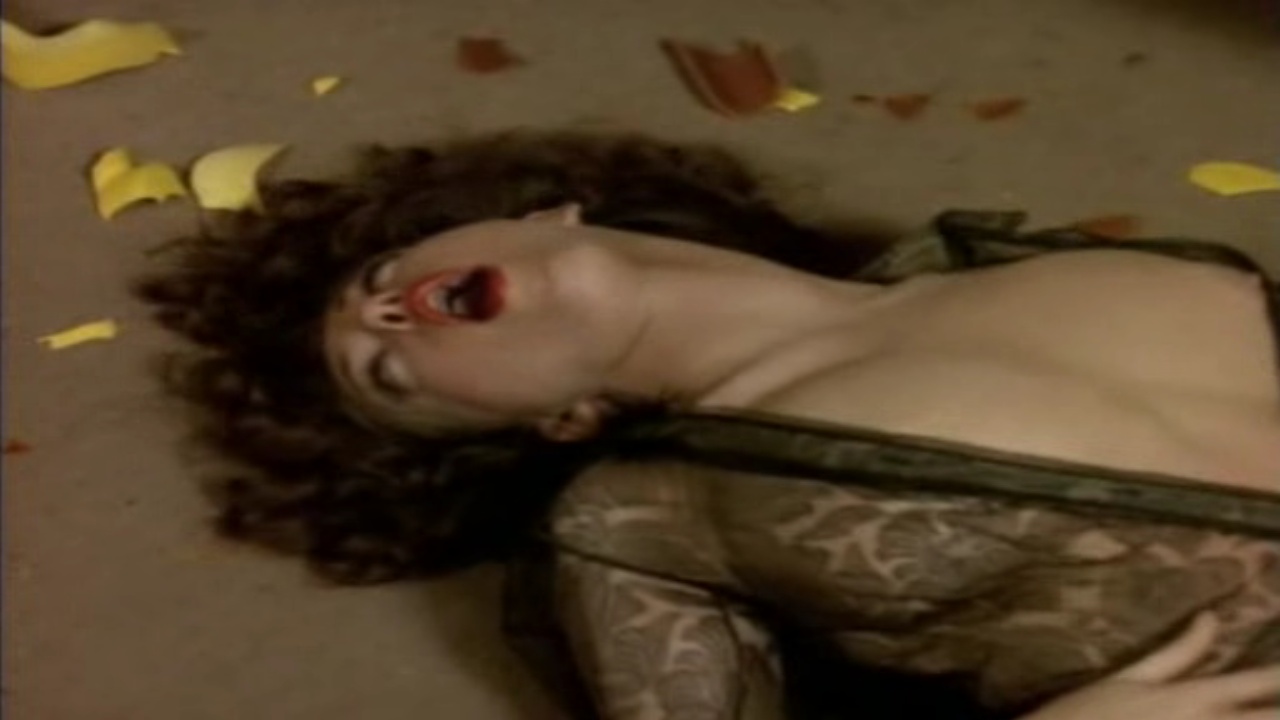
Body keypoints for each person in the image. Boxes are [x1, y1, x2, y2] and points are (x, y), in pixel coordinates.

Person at [136, 131, 1280, 720]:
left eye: (381, 276)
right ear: (559, 421)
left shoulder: (983, 258)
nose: (383, 312)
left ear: (545, 214)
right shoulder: (635, 522)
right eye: (385, 371)